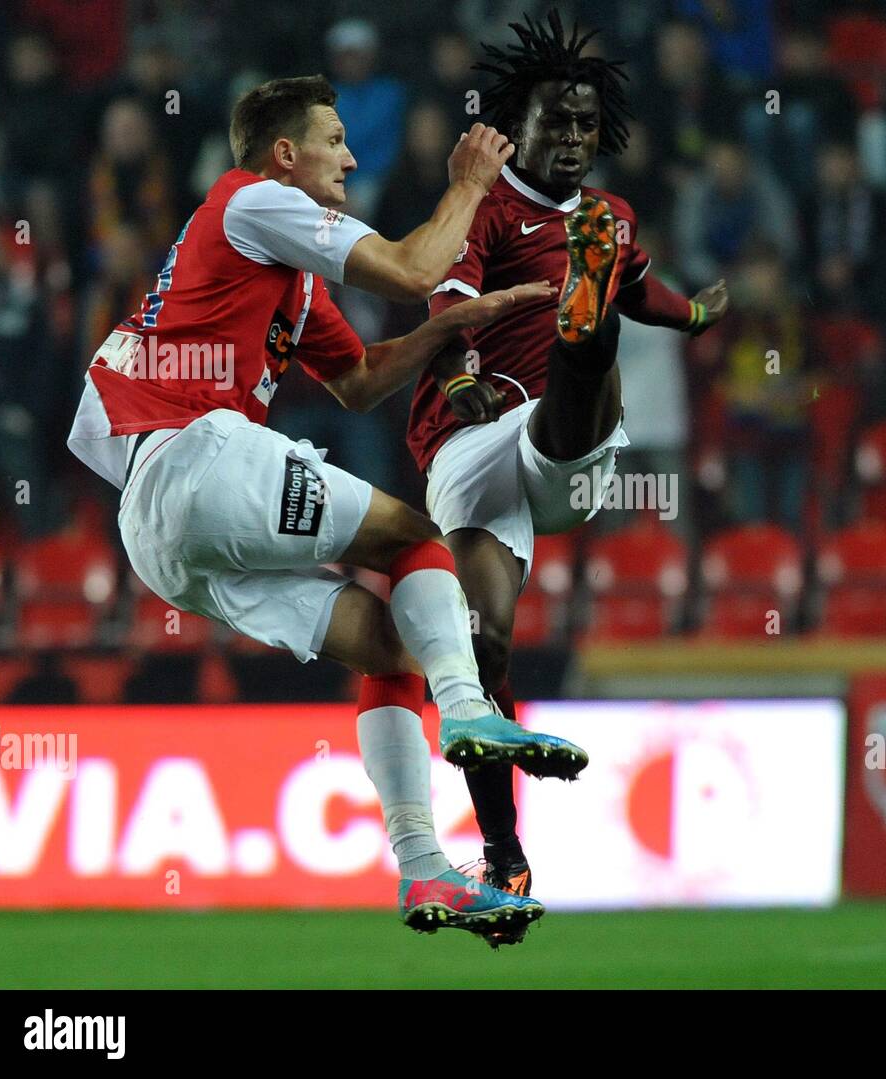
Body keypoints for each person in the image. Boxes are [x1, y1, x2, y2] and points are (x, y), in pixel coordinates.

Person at [65, 74, 587, 942]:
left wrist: (451, 329)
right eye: (334, 140)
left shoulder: (286, 274)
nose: (350, 156)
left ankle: (424, 869)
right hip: (198, 454)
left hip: (159, 537)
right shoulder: (251, 201)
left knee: (398, 642)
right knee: (416, 535)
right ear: (284, 154)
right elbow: (416, 265)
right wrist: (469, 182)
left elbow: (356, 383)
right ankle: (469, 708)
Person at [411, 11, 728, 940]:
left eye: (586, 125)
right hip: (465, 444)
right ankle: (504, 855)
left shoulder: (612, 218)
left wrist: (696, 316)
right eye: (556, 121)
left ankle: (579, 330)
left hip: (557, 440)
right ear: (519, 124)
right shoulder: (482, 207)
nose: (573, 138)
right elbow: (446, 301)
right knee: (485, 651)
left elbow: (647, 291)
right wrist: (460, 372)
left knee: (591, 340)